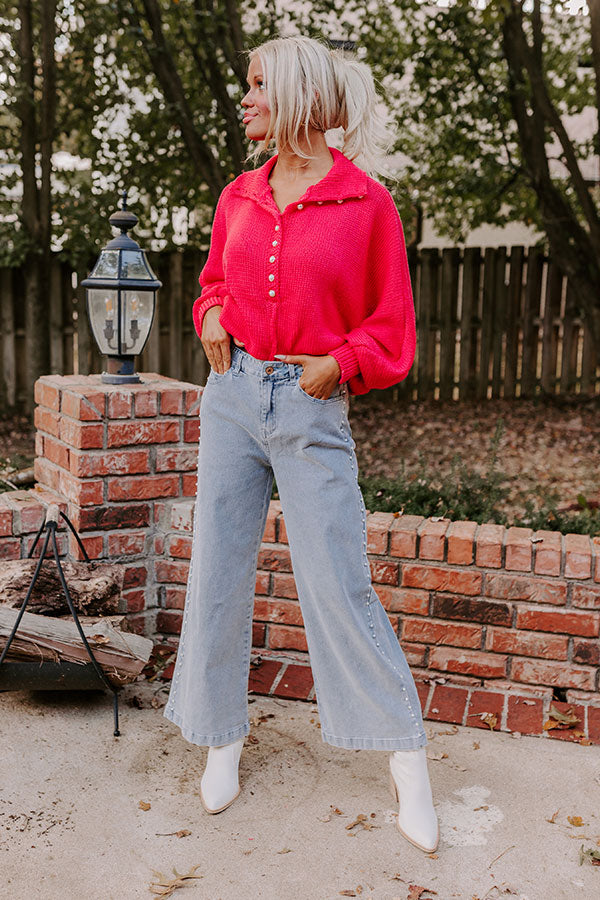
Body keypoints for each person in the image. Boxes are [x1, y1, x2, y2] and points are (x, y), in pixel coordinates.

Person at [163, 35, 439, 854]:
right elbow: (214, 285)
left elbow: (391, 327)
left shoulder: (367, 206)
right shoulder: (237, 196)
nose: (243, 99)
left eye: (256, 86)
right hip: (232, 399)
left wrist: (340, 364)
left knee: (337, 577)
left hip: (312, 408)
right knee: (216, 565)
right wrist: (209, 316)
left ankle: (407, 758)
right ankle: (221, 737)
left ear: (297, 97)